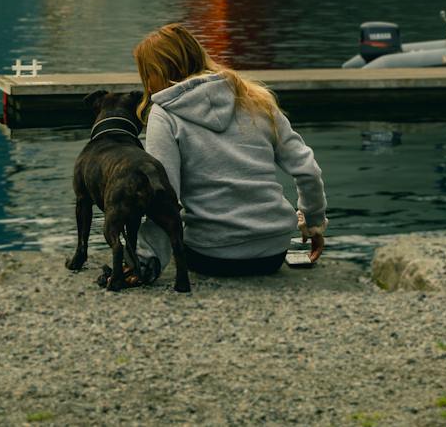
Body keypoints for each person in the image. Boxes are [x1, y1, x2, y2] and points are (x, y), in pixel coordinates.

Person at [131, 23, 327, 282]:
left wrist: (148, 258)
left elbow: (164, 194)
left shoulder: (164, 113)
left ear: (154, 73)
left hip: (211, 253)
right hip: (273, 251)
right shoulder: (254, 98)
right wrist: (313, 223)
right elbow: (307, 169)